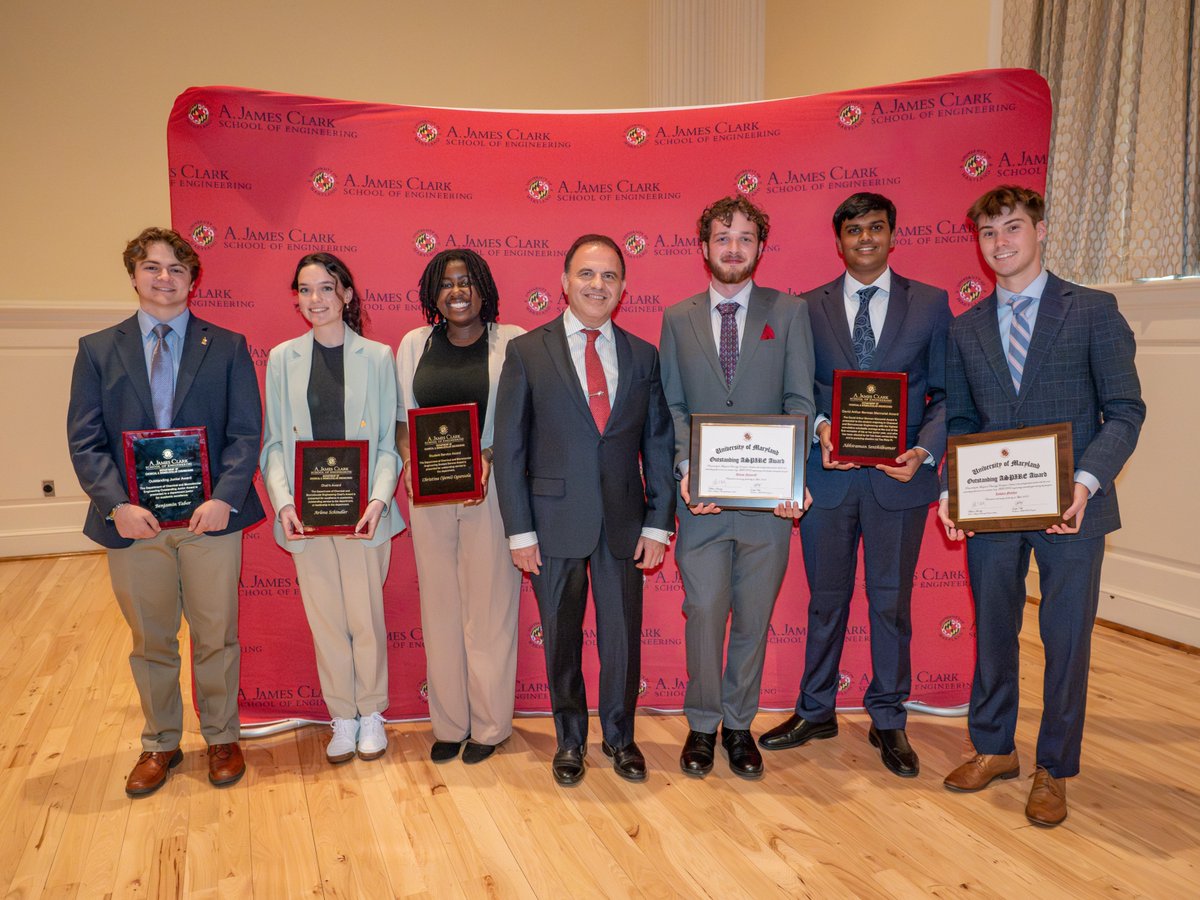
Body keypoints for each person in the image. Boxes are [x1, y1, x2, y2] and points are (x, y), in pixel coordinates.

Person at [939, 186, 1144, 826]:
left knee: (1065, 640)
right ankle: (995, 748)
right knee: (995, 633)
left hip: (1073, 511)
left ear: (1041, 230)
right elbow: (963, 418)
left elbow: (1126, 411)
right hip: (993, 511)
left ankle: (1054, 766)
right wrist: (951, 490)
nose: (1001, 243)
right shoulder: (966, 326)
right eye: (989, 233)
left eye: (1013, 228)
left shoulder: (1093, 310)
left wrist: (1084, 483)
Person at [67, 227, 264, 796]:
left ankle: (222, 737)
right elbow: (85, 441)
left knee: (216, 635)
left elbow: (246, 433)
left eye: (177, 269)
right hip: (134, 525)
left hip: (210, 521)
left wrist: (224, 497)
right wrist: (116, 505)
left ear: (193, 280)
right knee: (151, 639)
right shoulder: (97, 350)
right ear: (134, 275)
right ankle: (160, 743)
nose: (164, 278)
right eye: (152, 267)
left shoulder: (225, 346)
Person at [759, 193, 951, 777]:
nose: (865, 237)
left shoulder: (934, 304)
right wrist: (820, 430)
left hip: (900, 482)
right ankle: (816, 709)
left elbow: (946, 395)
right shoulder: (805, 308)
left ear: (893, 234)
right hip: (831, 480)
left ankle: (888, 719)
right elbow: (801, 390)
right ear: (838, 240)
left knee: (890, 605)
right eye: (853, 230)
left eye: (876, 227)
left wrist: (923, 451)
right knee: (826, 601)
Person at [493, 234, 675, 786]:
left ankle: (621, 738)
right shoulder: (527, 351)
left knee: (622, 638)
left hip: (624, 523)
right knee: (562, 637)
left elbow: (659, 444)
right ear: (564, 281)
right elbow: (511, 448)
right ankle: (569, 739)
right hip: (552, 524)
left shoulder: (644, 355)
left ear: (623, 287)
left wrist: (659, 522)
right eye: (587, 274)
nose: (599, 285)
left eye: (610, 276)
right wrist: (519, 532)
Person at [659, 196, 815, 780]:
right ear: (704, 248)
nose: (733, 248)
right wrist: (684, 468)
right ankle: (702, 724)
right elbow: (672, 405)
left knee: (753, 616)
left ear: (759, 248)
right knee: (703, 612)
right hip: (701, 502)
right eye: (723, 238)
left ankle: (739, 725)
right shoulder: (677, 318)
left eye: (745, 238)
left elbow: (800, 400)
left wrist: (795, 478)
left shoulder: (790, 312)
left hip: (769, 507)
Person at [260, 253, 403, 764]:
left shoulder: (378, 357)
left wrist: (378, 500)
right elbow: (274, 443)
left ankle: (372, 713)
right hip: (306, 516)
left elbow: (389, 443)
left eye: (326, 287)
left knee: (365, 619)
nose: (315, 299)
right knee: (326, 621)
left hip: (365, 515)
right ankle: (341, 715)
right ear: (296, 297)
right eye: (305, 289)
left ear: (346, 293)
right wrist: (283, 504)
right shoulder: (282, 359)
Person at [395, 248, 524, 765]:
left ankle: (491, 726)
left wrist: (486, 457)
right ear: (433, 293)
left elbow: (519, 420)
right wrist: (411, 465)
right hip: (430, 495)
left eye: (467, 281)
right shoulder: (412, 344)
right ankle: (449, 723)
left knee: (489, 609)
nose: (457, 291)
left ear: (484, 287)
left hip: (490, 491)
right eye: (446, 283)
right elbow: (402, 419)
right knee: (441, 609)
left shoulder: (511, 342)